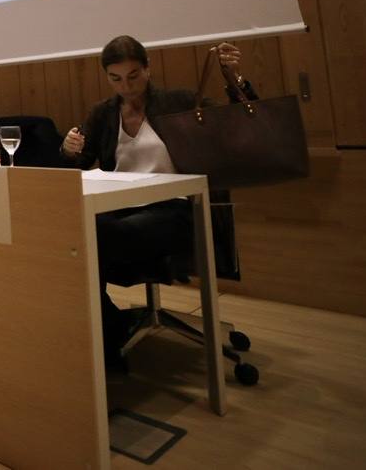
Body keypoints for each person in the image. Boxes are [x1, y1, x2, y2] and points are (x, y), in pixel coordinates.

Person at [60, 35, 256, 369]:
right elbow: (80, 163)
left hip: (176, 209)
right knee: (69, 235)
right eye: (116, 78)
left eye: (134, 76)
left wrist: (235, 79)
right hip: (120, 206)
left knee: (99, 239)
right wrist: (69, 149)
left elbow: (241, 124)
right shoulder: (104, 113)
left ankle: (108, 337)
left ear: (148, 69)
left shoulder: (178, 102)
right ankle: (110, 329)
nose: (126, 86)